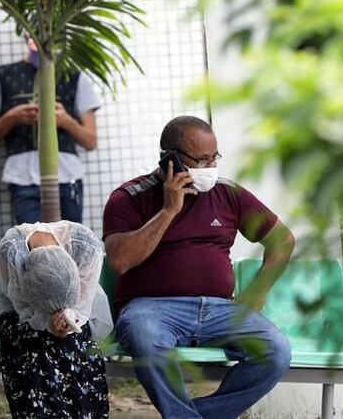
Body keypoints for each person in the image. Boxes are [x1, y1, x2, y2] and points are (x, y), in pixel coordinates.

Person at [102, 116, 296, 419]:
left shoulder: (228, 194)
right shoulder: (129, 197)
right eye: (201, 160)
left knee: (275, 350)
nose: (210, 168)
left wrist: (256, 293)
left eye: (214, 158)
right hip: (152, 310)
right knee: (142, 334)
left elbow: (282, 241)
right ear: (171, 158)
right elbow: (120, 260)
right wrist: (168, 210)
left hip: (221, 310)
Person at [0, 221, 112, 418]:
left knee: (75, 339)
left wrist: (69, 321)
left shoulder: (85, 246)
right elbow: (23, 309)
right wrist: (49, 325)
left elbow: (83, 305)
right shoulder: (11, 252)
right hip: (12, 310)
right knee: (35, 338)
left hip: (80, 309)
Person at [0, 36, 102, 224]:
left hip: (67, 176)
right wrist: (12, 117)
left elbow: (91, 140)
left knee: (69, 246)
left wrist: (65, 121)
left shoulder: (75, 76)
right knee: (32, 246)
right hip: (22, 177)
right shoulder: (1, 75)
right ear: (25, 35)